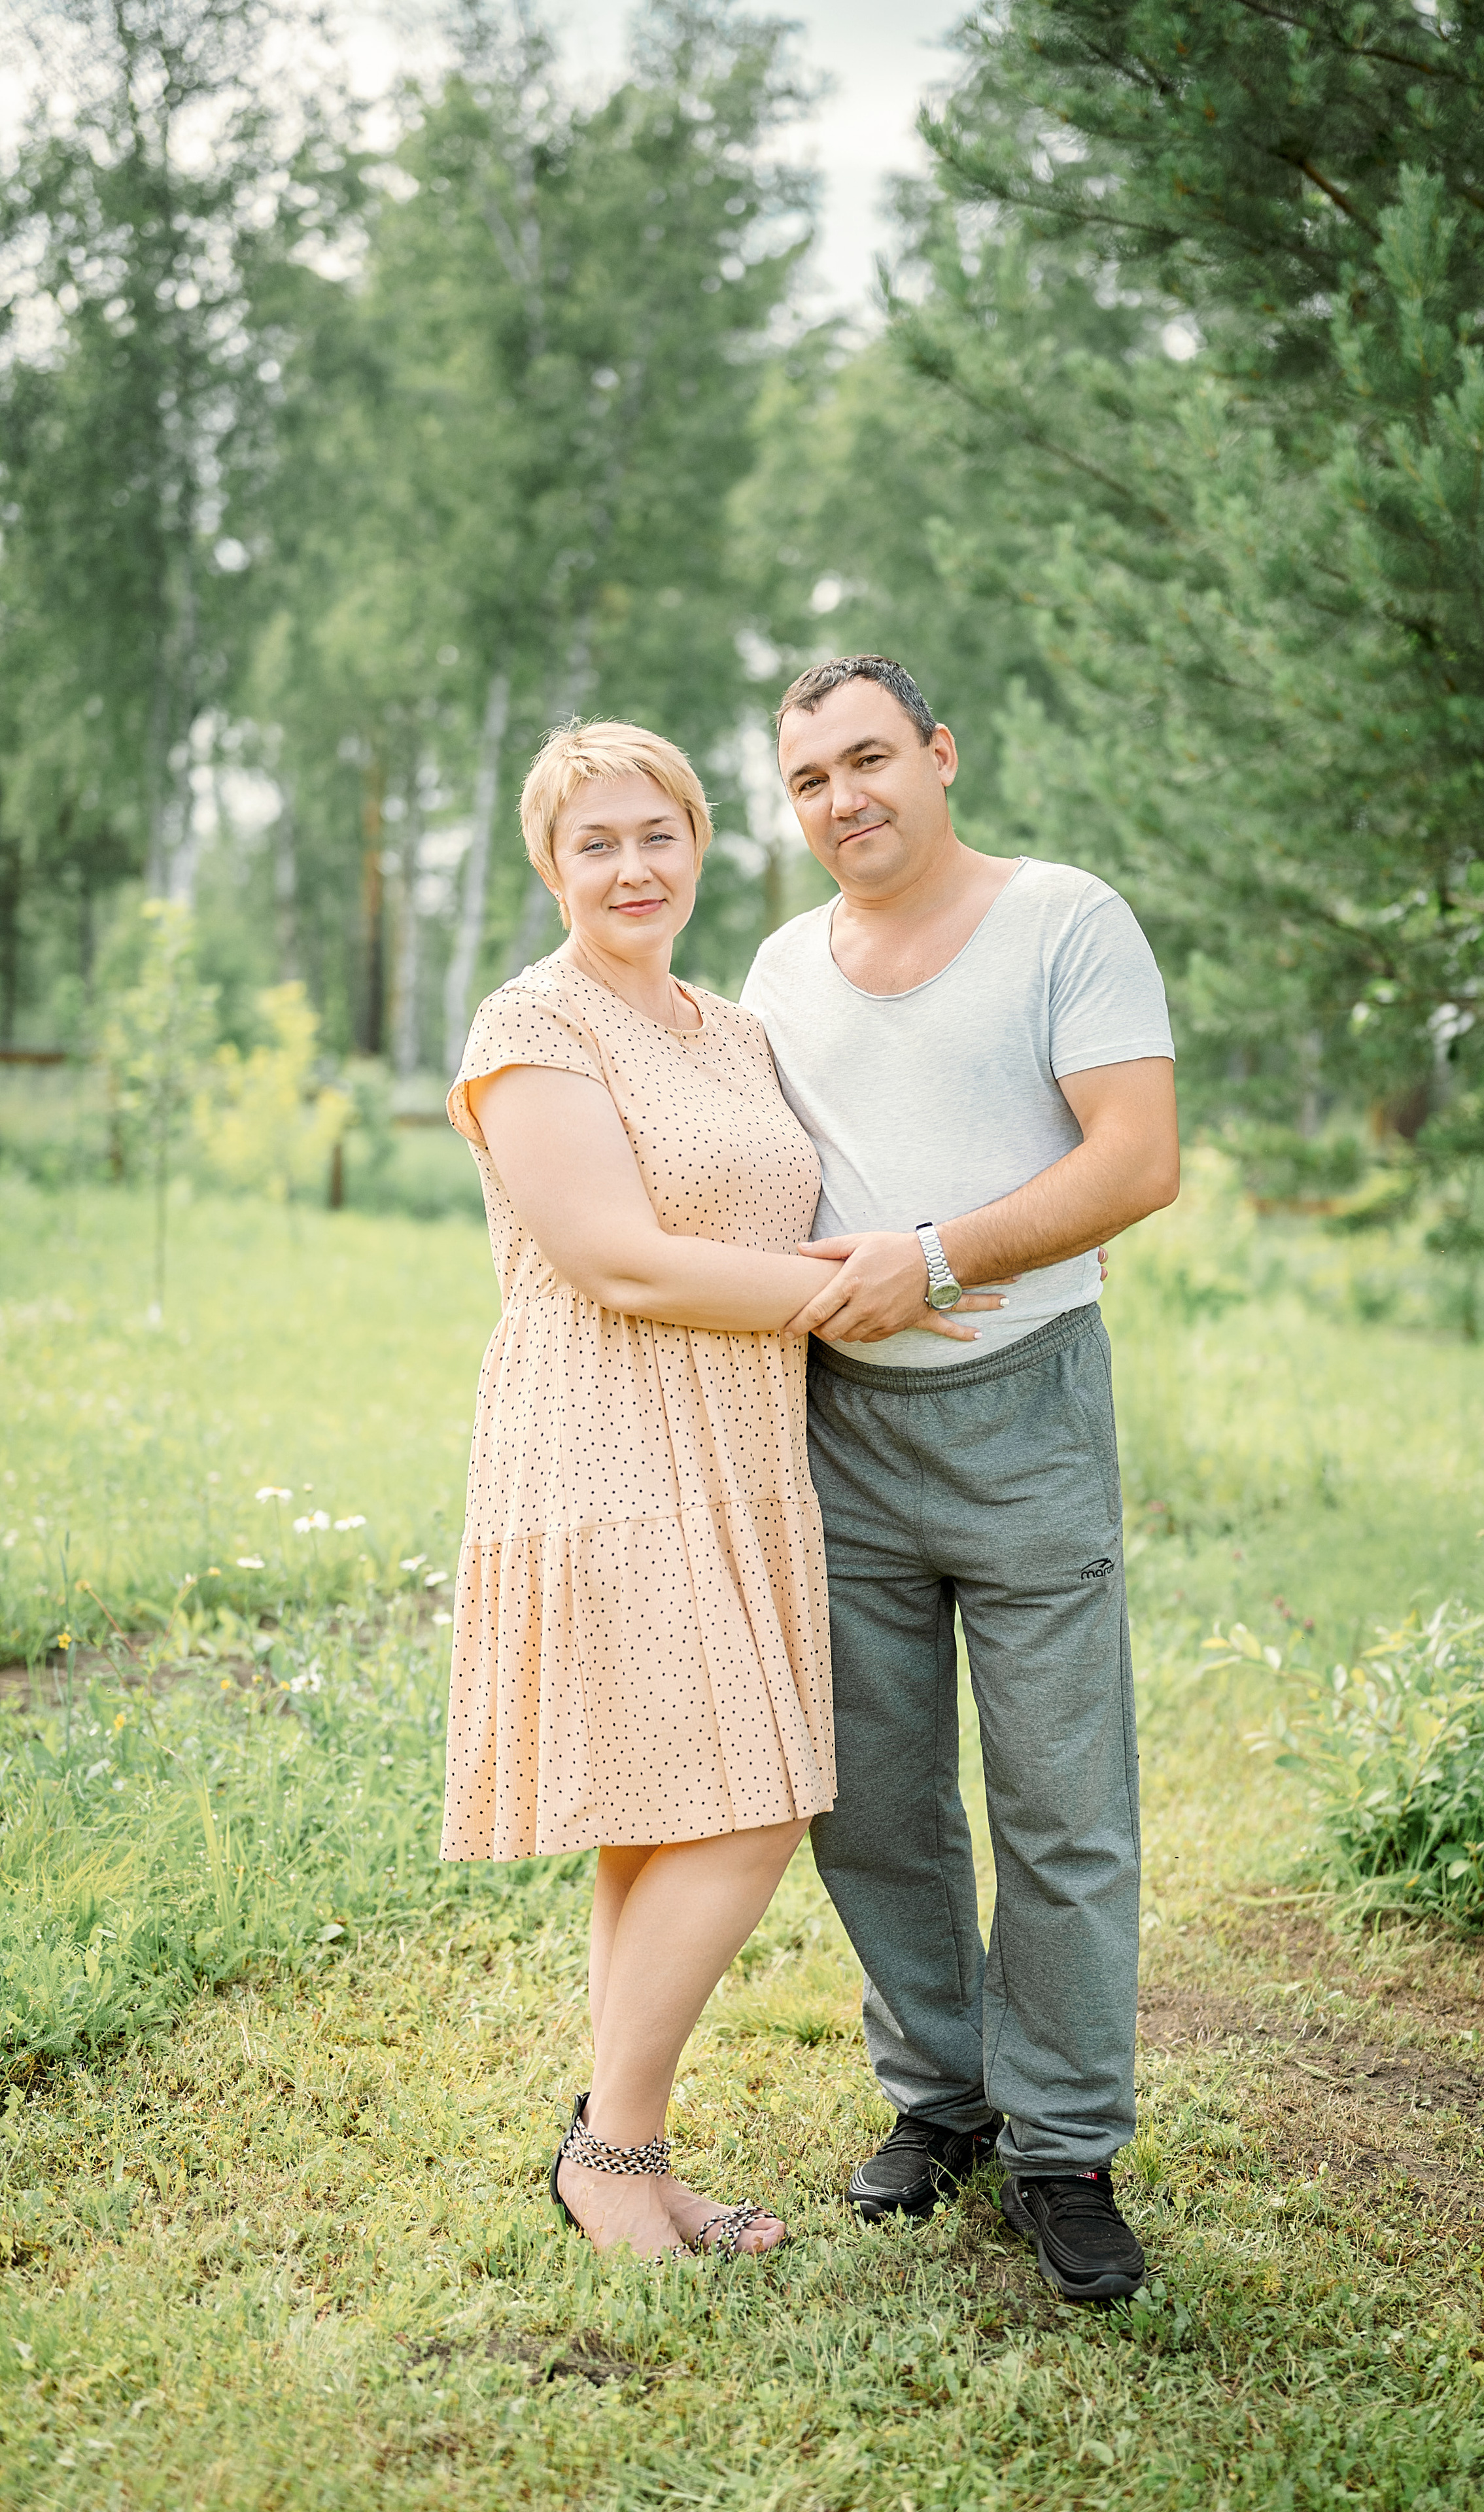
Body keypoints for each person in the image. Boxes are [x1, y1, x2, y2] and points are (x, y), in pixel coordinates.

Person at [440, 719, 1004, 2263]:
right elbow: (617, 1262)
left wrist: (935, 1248)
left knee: (657, 1808)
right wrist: (865, 1291)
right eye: (595, 844)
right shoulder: (530, 1023)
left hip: (742, 1442)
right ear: (550, 865)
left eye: (658, 835)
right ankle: (612, 2157)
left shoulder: (729, 1028)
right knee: (746, 1801)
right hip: (608, 1437)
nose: (632, 868)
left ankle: (621, 2154)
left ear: (698, 843)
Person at [740, 655, 1179, 2304]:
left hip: (1026, 1418)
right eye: (807, 780)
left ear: (937, 751)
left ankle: (1062, 2145)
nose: (841, 798)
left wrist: (936, 1255)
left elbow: (1136, 1157)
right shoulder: (781, 967)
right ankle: (941, 2098)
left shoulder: (1064, 920)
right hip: (837, 1429)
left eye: (868, 759)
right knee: (872, 1801)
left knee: (1062, 1804)